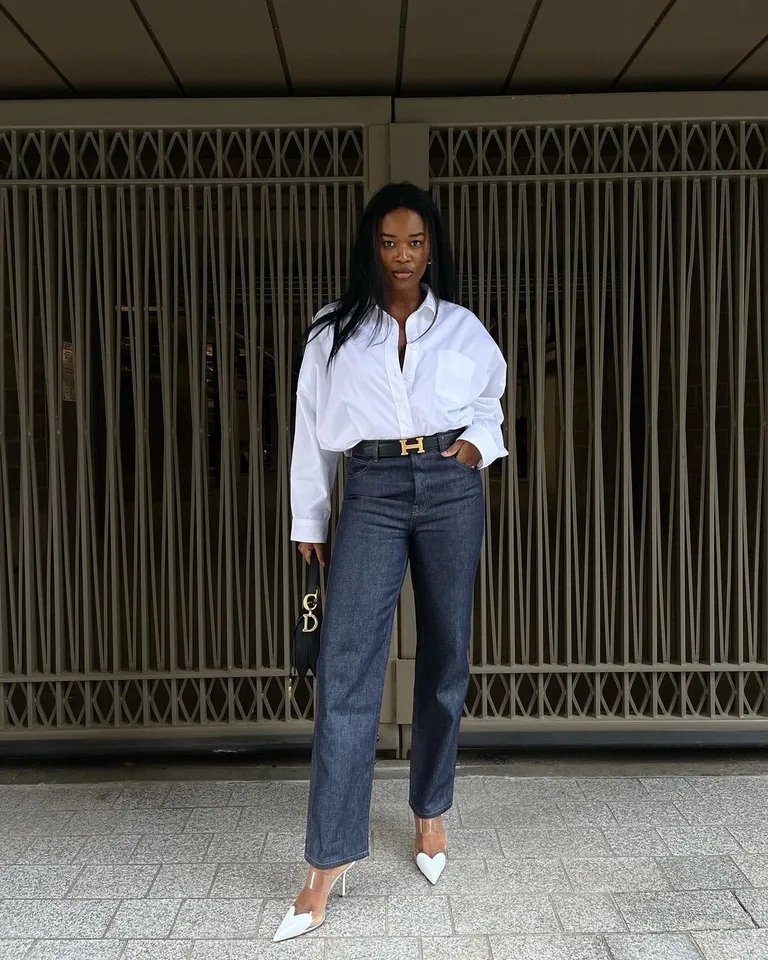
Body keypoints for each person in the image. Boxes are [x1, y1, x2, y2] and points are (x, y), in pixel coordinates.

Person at [273, 181, 508, 942]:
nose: (401, 257)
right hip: (369, 485)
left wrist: (479, 445)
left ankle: (430, 812)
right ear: (369, 247)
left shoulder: (464, 329)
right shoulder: (332, 331)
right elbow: (312, 429)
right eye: (387, 242)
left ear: (431, 246)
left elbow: (492, 398)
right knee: (346, 669)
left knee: (446, 653)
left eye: (413, 242)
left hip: (449, 487)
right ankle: (326, 861)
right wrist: (309, 516)